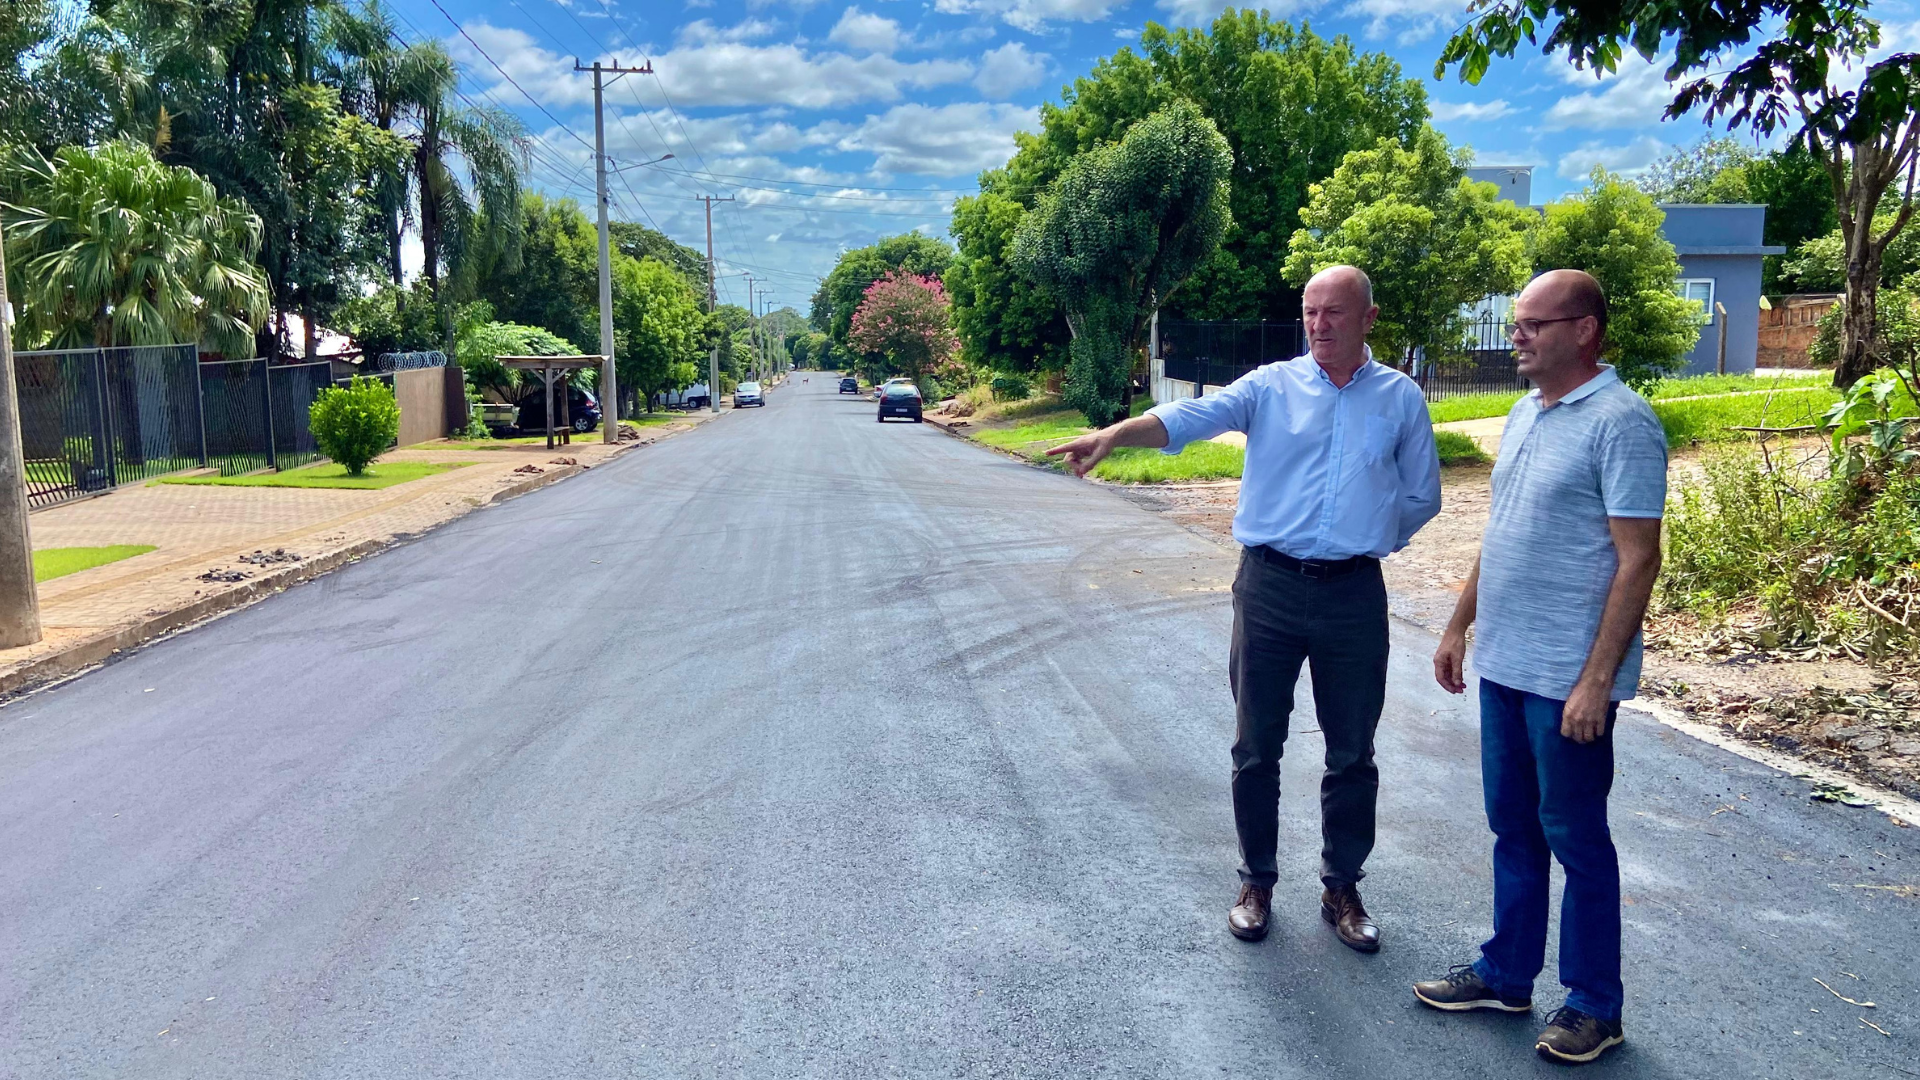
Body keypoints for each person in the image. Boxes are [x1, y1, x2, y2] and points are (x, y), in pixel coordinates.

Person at [1048, 265, 1441, 951]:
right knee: (1257, 743)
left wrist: (1371, 538)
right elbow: (1188, 418)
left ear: (1369, 319)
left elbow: (1422, 494)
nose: (1319, 324)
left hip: (1354, 592)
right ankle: (1256, 881)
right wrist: (1115, 433)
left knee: (1353, 752)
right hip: (1269, 587)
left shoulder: (1400, 398)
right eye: (1309, 311)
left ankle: (1342, 886)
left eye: (1334, 313)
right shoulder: (1271, 386)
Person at [1413, 269, 1666, 1066]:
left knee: (1576, 837)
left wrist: (1597, 680)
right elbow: (1505, 532)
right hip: (1507, 662)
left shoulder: (1622, 424)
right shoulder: (1526, 413)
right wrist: (1459, 624)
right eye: (1517, 322)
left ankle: (1596, 1004)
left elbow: (1639, 560)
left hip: (1568, 678)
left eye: (1532, 324)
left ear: (1584, 330)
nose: (1515, 336)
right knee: (1512, 827)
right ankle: (1507, 972)